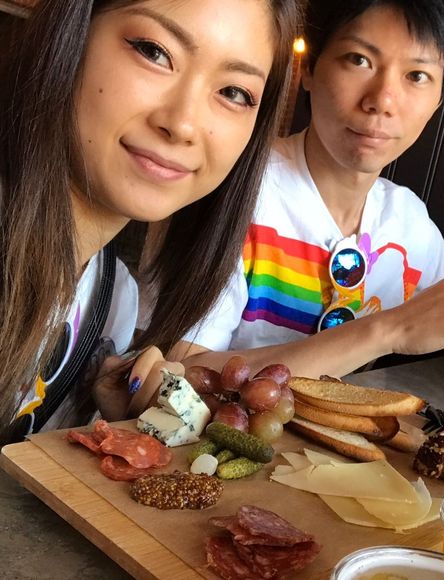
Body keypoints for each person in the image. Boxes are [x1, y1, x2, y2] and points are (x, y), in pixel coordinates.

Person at [169, 0, 444, 379]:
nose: (382, 100)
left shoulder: (407, 225)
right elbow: (180, 374)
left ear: (438, 99)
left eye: (417, 76)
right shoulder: (236, 191)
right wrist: (386, 330)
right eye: (359, 59)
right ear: (308, 68)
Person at [0, 0, 299, 441]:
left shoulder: (113, 302)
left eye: (234, 92)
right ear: (72, 32)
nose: (183, 124)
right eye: (154, 51)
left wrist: (110, 427)